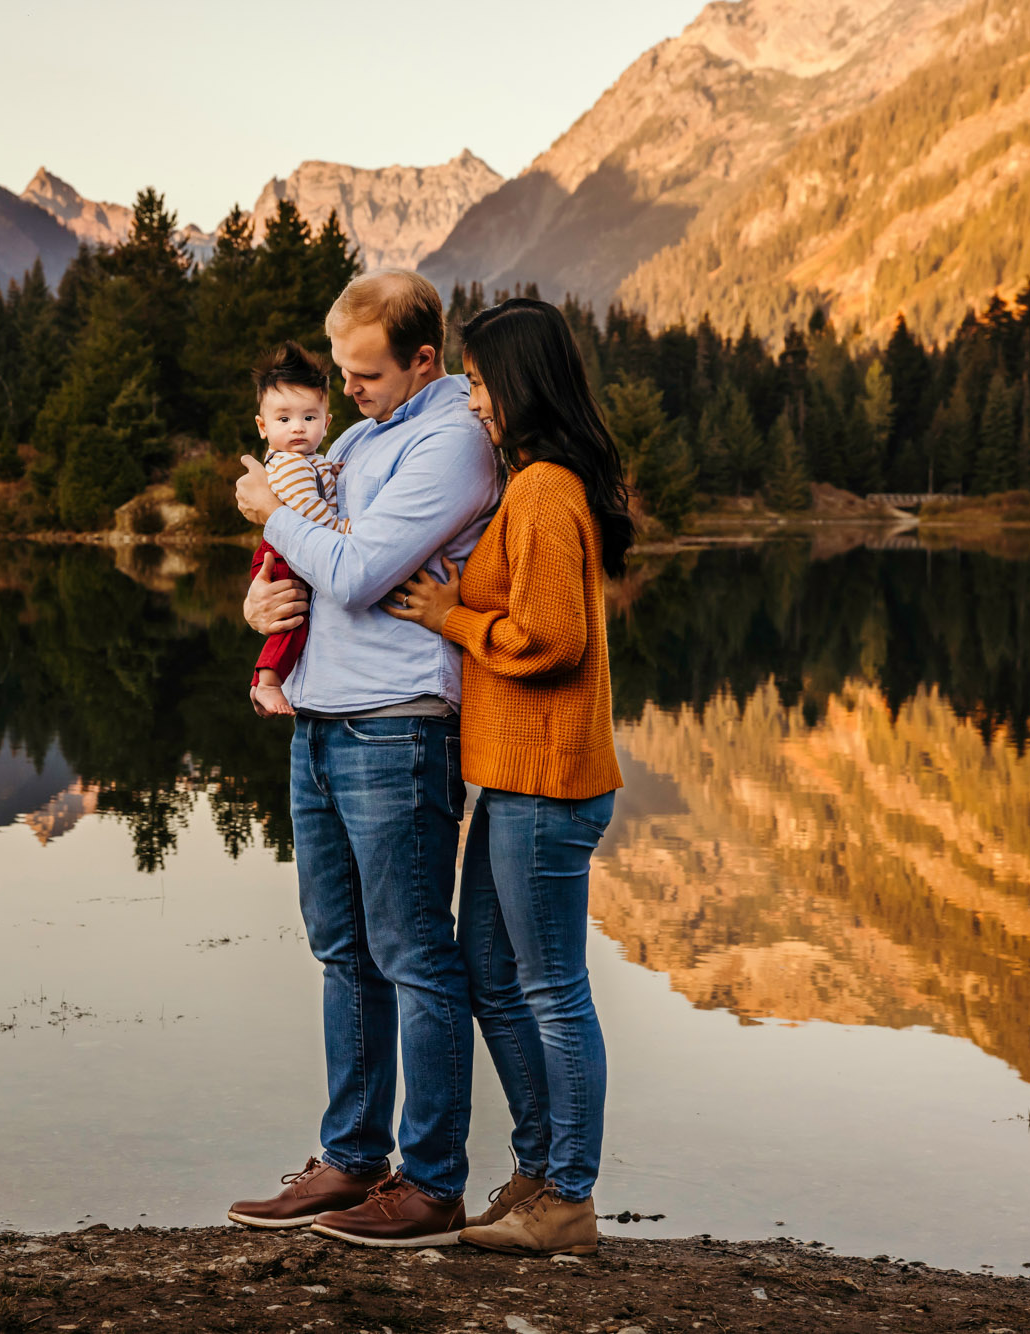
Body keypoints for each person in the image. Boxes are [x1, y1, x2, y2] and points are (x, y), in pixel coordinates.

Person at [223, 270, 499, 1248]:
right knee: (342, 949)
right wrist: (256, 607)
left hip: (399, 727)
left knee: (416, 955)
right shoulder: (355, 437)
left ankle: (429, 1185)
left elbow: (354, 566)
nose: (349, 391)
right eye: (341, 373)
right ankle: (350, 1160)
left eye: (368, 373)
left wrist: (268, 512)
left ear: (423, 359)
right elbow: (308, 568)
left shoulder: (451, 442)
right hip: (322, 721)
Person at [384, 296, 631, 1257]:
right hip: (521, 779)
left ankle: (567, 1195)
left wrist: (450, 617)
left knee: (552, 987)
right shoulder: (537, 483)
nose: (473, 401)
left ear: (521, 384)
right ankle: (538, 1173)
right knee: (494, 971)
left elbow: (552, 640)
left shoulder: (541, 491)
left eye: (482, 383)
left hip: (548, 785)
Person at [246, 341, 348, 718]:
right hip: (282, 556)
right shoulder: (288, 465)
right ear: (263, 426)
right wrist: (342, 528)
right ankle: (267, 682)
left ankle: (269, 681)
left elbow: (321, 480)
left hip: (291, 549)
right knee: (292, 618)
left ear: (326, 422)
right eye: (284, 419)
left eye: (309, 418)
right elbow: (308, 507)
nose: (298, 428)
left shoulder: (311, 460)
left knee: (293, 617)